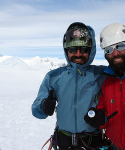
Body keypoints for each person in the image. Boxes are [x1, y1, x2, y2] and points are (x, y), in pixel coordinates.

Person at [31, 22, 109, 150]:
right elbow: (36, 111)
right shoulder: (54, 77)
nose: (78, 54)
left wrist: (104, 117)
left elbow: (121, 106)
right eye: (73, 49)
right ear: (66, 50)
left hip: (93, 143)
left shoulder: (103, 75)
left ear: (91, 49)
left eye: (84, 49)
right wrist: (43, 105)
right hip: (63, 142)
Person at [84, 23, 125, 150]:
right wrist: (100, 118)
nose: (115, 53)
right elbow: (105, 112)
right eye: (109, 50)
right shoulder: (109, 82)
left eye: (120, 46)